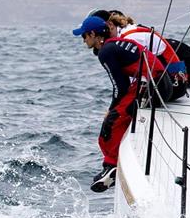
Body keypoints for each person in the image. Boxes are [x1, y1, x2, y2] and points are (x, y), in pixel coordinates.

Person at [72, 15, 172, 192]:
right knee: (114, 117)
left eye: (84, 36)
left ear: (93, 34)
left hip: (155, 84)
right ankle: (110, 164)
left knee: (111, 124)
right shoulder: (114, 44)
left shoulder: (106, 52)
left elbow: (120, 86)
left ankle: (111, 165)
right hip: (159, 81)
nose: (83, 41)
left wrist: (111, 110)